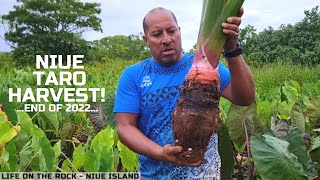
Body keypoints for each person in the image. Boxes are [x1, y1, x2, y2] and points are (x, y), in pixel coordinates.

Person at [114, 7, 255, 179]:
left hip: (205, 174)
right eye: (157, 34)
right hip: (155, 175)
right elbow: (125, 127)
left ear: (179, 31)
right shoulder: (134, 75)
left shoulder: (207, 65)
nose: (166, 39)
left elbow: (245, 98)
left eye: (171, 31)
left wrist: (232, 48)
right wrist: (160, 153)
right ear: (146, 40)